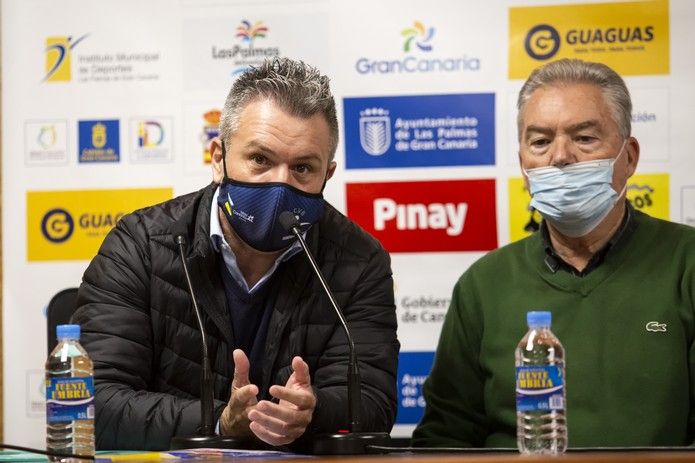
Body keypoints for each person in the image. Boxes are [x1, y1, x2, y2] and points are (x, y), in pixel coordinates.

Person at [73, 57, 399, 450]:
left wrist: (311, 410)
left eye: (302, 168)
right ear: (218, 158)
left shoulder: (359, 262)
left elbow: (373, 404)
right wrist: (221, 423)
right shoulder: (141, 245)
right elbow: (93, 405)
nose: (281, 184)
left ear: (326, 175)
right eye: (260, 159)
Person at [412, 58, 695, 447]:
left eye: (584, 138)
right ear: (524, 167)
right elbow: (444, 438)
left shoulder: (687, 263)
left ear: (628, 157)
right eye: (541, 142)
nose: (560, 157)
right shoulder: (483, 284)